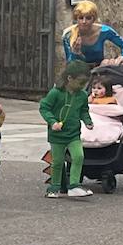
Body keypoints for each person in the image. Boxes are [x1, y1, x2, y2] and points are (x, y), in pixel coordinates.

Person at [39, 61, 94, 200]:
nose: (83, 87)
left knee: (79, 156)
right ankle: (55, 187)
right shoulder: (55, 93)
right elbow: (44, 108)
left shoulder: (81, 95)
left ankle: (74, 185)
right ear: (69, 78)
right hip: (57, 135)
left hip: (73, 134)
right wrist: (52, 122)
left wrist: (87, 121)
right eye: (80, 82)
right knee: (57, 162)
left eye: (85, 83)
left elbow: (83, 110)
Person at [62, 0, 123, 67]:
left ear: (94, 19)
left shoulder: (104, 31)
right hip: (80, 72)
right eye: (81, 18)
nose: (84, 21)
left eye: (88, 18)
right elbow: (70, 64)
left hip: (100, 69)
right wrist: (76, 53)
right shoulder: (69, 35)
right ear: (76, 19)